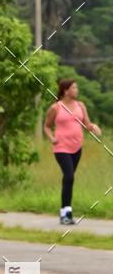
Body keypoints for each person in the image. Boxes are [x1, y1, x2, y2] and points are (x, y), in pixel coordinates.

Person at [44, 78, 101, 225]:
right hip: (61, 147)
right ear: (66, 91)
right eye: (74, 88)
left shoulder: (80, 105)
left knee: (68, 179)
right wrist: (52, 138)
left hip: (77, 147)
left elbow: (86, 125)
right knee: (69, 176)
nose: (77, 90)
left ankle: (64, 211)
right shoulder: (55, 108)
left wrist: (94, 127)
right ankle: (66, 214)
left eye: (76, 88)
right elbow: (47, 126)